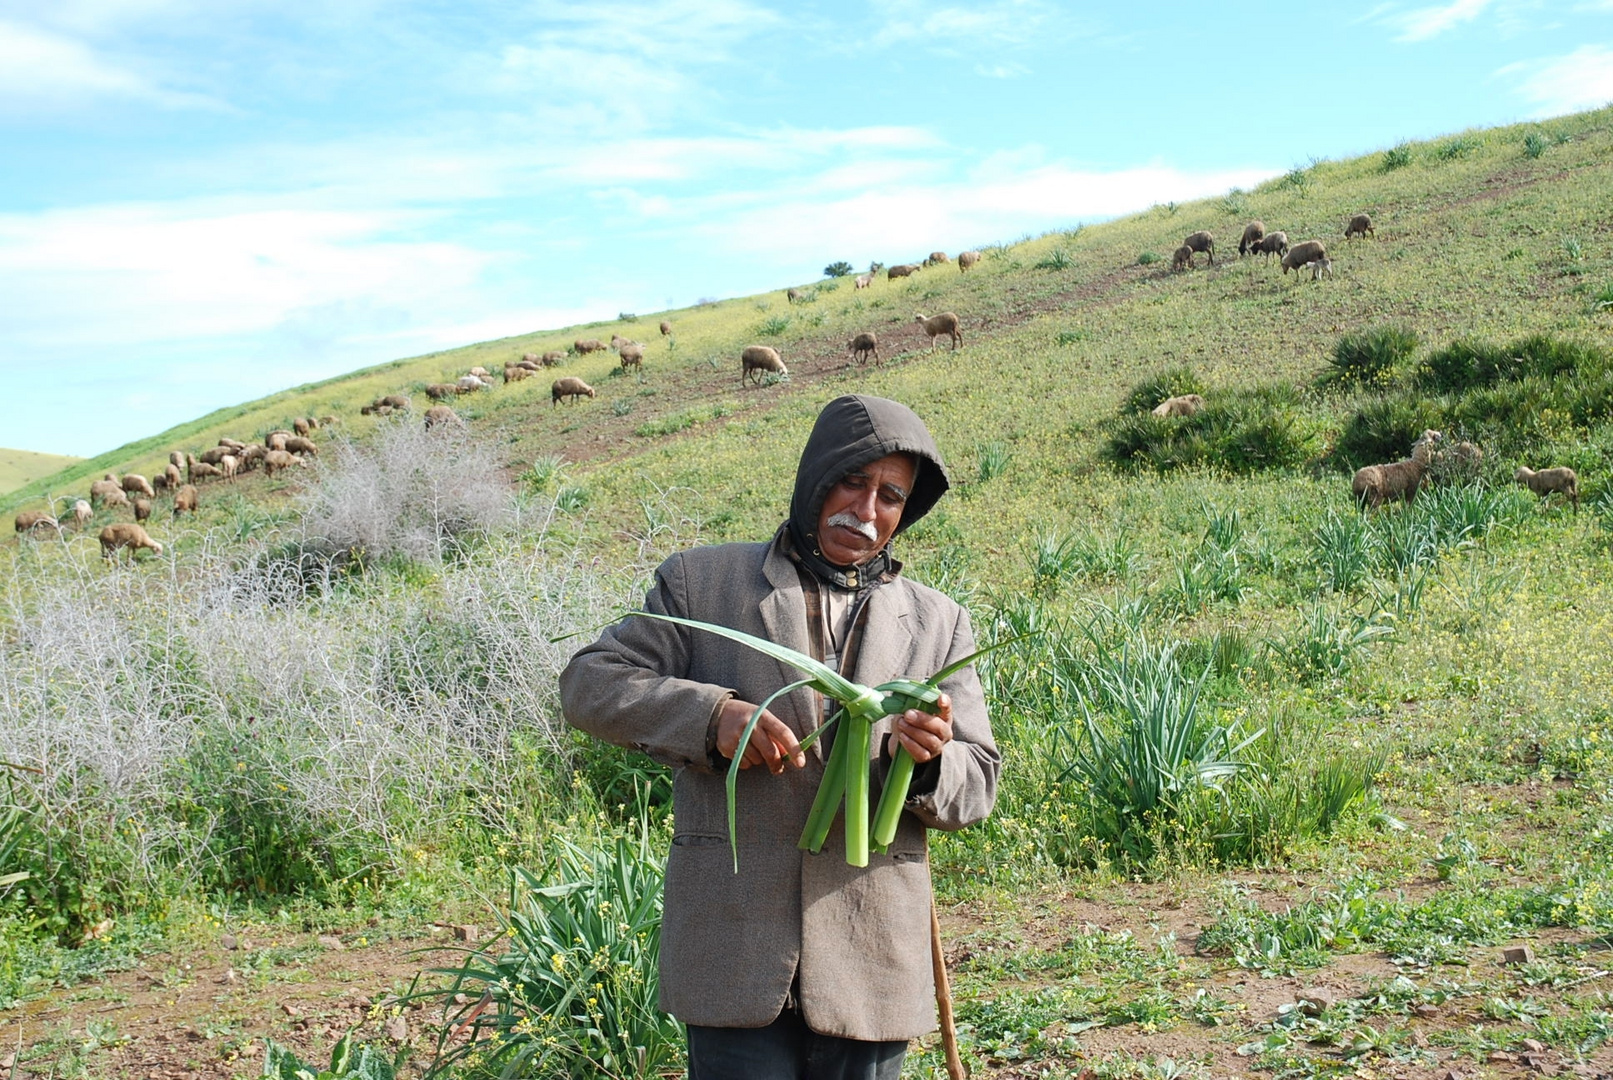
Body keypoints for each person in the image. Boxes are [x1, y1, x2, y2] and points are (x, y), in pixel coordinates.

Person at [560, 394, 999, 1080]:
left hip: (872, 953)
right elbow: (590, 684)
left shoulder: (937, 623)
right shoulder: (701, 585)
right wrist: (712, 717)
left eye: (891, 495)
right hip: (733, 949)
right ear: (816, 478)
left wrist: (927, 761)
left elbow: (976, 788)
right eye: (853, 481)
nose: (866, 508)